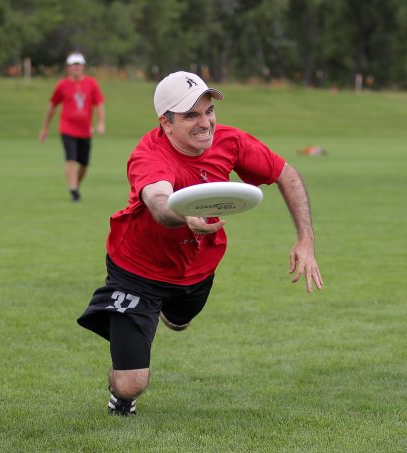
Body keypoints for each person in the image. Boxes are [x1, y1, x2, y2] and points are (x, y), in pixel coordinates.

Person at [77, 71, 323, 416]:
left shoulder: (230, 141)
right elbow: (160, 203)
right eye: (191, 115)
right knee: (132, 381)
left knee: (179, 322)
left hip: (197, 268)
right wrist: (185, 217)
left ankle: (163, 312)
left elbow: (287, 174)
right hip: (137, 269)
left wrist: (305, 239)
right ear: (166, 122)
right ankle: (121, 398)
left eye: (208, 111)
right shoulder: (149, 156)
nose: (205, 122)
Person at [39, 52, 105, 202]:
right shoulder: (62, 85)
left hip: (85, 131)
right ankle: (74, 191)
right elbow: (52, 106)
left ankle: (75, 185)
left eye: (79, 64)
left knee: (84, 164)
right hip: (67, 129)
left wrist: (101, 122)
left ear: (83, 66)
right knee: (71, 159)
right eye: (73, 65)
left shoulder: (91, 84)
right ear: (69, 68)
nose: (76, 67)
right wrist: (44, 128)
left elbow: (99, 104)